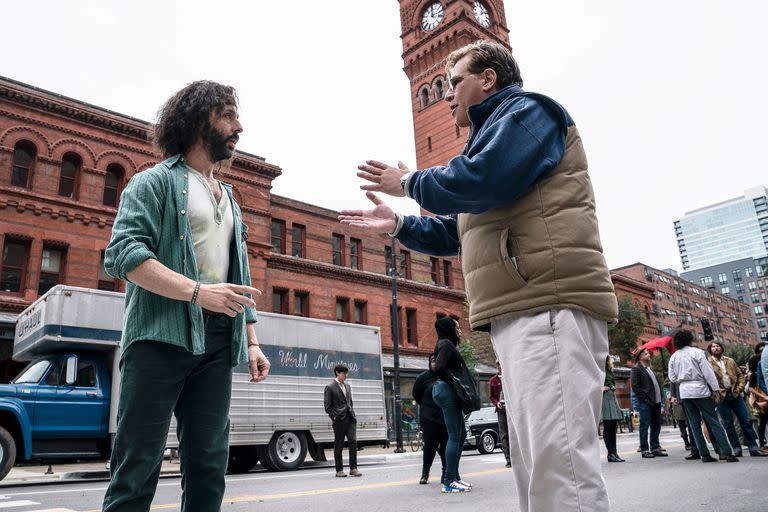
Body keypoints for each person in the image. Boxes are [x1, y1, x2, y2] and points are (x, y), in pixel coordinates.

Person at [340, 39, 617, 512]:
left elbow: (479, 179)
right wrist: (402, 225)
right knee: (537, 463)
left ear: (488, 78)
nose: (447, 95)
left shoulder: (528, 112)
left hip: (547, 304)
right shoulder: (491, 140)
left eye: (455, 82)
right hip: (524, 310)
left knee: (560, 461)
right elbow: (462, 230)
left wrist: (409, 183)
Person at [101, 81, 271, 511]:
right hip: (159, 338)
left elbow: (240, 271)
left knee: (210, 464)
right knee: (137, 464)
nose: (240, 127)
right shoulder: (153, 182)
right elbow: (123, 254)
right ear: (199, 120)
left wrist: (251, 340)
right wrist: (198, 293)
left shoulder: (229, 196)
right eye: (229, 116)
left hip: (216, 342)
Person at [667, 330, 737, 463]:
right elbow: (708, 372)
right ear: (689, 340)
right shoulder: (697, 353)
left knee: (694, 424)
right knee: (713, 420)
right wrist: (715, 389)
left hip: (684, 392)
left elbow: (672, 377)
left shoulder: (674, 356)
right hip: (700, 389)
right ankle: (727, 452)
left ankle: (704, 454)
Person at [706, 341, 767, 457]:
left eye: (718, 346)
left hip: (735, 395)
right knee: (728, 424)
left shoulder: (730, 360)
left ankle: (753, 447)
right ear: (710, 350)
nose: (716, 348)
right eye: (713, 346)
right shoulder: (708, 363)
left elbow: (740, 376)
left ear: (721, 348)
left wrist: (738, 389)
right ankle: (736, 448)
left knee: (745, 421)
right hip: (721, 397)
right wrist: (716, 393)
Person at [432, 317, 472, 493]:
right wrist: (453, 382)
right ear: (449, 328)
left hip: (445, 390)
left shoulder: (445, 343)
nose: (460, 330)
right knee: (455, 435)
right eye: (457, 326)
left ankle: (454, 477)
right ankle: (448, 481)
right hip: (447, 391)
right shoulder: (446, 344)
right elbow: (438, 367)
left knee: (461, 434)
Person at [413, 353, 448, 485]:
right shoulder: (422, 378)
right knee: (429, 446)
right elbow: (416, 395)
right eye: (432, 361)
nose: (434, 363)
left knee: (445, 445)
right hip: (428, 418)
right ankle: (425, 473)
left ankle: (445, 473)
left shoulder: (445, 376)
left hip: (444, 417)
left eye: (437, 360)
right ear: (429, 362)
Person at [324, 364, 361, 477]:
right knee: (339, 444)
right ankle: (339, 470)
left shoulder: (348, 386)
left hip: (350, 419)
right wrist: (334, 417)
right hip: (339, 420)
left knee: (353, 442)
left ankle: (353, 469)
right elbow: (327, 406)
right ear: (337, 373)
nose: (346, 375)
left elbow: (350, 402)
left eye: (346, 373)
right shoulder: (330, 387)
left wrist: (352, 413)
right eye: (344, 373)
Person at [630, 348, 666, 458]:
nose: (648, 354)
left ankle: (655, 447)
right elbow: (635, 386)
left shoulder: (649, 368)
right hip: (646, 403)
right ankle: (645, 449)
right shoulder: (636, 369)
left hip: (656, 401)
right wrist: (644, 399)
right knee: (644, 425)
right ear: (640, 357)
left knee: (656, 425)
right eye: (646, 353)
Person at [602, 356, 625, 462]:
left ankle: (614, 453)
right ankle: (610, 454)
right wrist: (600, 388)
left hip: (611, 396)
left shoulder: (609, 368)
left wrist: (612, 387)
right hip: (604, 397)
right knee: (608, 425)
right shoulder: (598, 368)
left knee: (613, 426)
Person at [489, 360, 511, 468]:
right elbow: (491, 396)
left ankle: (517, 457)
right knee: (504, 434)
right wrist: (496, 403)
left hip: (512, 409)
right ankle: (508, 459)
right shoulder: (493, 380)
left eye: (501, 363)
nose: (500, 366)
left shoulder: (510, 378)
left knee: (514, 434)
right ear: (497, 365)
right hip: (501, 409)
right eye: (498, 364)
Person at [748, 342, 768, 448]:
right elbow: (750, 388)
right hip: (761, 398)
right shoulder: (754, 374)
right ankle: (761, 444)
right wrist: (763, 396)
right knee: (763, 422)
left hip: (764, 396)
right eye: (761, 351)